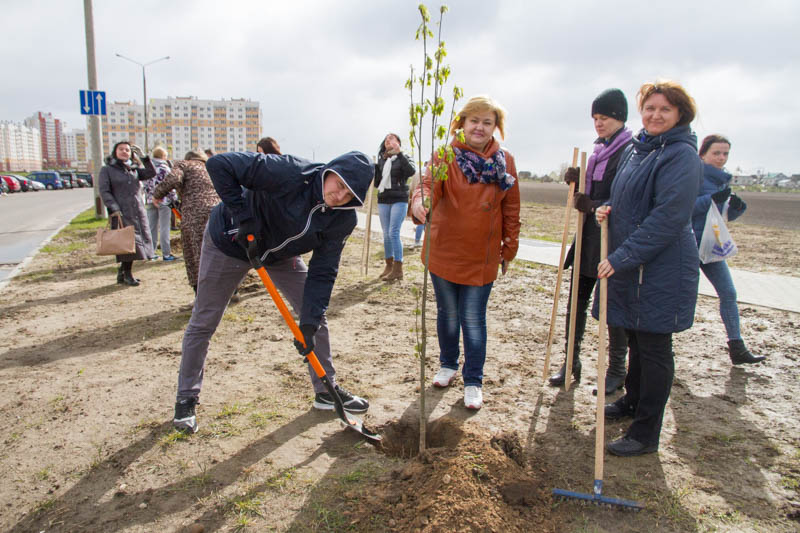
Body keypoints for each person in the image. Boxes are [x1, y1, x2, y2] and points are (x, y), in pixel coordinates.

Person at [172, 149, 374, 433]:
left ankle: (326, 391)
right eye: (339, 184)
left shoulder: (342, 220)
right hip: (230, 242)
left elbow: (323, 271)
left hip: (279, 255)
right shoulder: (291, 171)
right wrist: (243, 217)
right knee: (205, 320)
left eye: (349, 193)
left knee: (314, 318)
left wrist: (308, 323)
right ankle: (186, 398)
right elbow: (219, 165)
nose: (339, 195)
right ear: (330, 170)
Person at [596, 80, 703, 456]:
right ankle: (631, 403)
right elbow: (626, 197)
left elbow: (667, 219)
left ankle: (645, 433)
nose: (656, 115)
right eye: (650, 108)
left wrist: (620, 258)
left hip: (661, 268)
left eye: (665, 110)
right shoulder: (637, 150)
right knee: (638, 341)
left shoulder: (681, 156)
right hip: (634, 263)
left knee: (655, 347)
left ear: (680, 115)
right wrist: (606, 209)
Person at [411, 95, 520, 410]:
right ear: (462, 123)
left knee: (472, 319)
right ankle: (447, 364)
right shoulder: (445, 155)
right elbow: (428, 184)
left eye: (487, 122)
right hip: (445, 250)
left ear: (495, 127)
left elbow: (512, 208)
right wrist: (420, 201)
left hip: (481, 256)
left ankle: (473, 380)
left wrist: (509, 247)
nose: (480, 127)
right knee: (448, 315)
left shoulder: (506, 161)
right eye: (474, 121)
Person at [549, 89, 631, 394]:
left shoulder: (629, 151)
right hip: (587, 237)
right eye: (595, 118)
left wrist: (593, 205)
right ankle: (571, 362)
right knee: (576, 303)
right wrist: (577, 180)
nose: (599, 123)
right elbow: (590, 189)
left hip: (613, 238)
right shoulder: (597, 151)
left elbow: (623, 196)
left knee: (612, 308)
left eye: (605, 117)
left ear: (620, 117)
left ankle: (617, 370)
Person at [694, 135, 765, 365]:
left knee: (728, 293)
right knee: (681, 299)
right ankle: (664, 348)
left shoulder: (722, 181)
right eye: (716, 153)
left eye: (725, 154)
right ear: (703, 154)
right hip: (688, 245)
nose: (721, 158)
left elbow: (720, 217)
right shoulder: (693, 175)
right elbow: (681, 208)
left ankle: (737, 347)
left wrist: (735, 210)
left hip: (711, 246)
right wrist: (711, 199)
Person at [153, 150, 219, 293]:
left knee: (194, 253)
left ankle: (202, 295)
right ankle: (231, 291)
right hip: (218, 212)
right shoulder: (211, 167)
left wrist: (157, 194)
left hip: (196, 213)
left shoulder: (184, 164)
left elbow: (174, 179)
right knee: (219, 251)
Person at [98, 141, 156, 286]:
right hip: (121, 212)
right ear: (115, 152)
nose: (124, 152)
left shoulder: (133, 169)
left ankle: (123, 272)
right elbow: (104, 191)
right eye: (121, 149)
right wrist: (113, 207)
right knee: (125, 243)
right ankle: (127, 274)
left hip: (137, 211)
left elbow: (151, 173)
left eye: (127, 150)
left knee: (135, 244)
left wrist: (145, 158)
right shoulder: (108, 170)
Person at [375, 133, 416, 281]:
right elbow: (376, 183)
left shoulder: (404, 156)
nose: (388, 140)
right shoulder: (381, 159)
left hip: (399, 199)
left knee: (393, 232)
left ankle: (398, 268)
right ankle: (389, 265)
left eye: (392, 138)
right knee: (386, 234)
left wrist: (399, 155)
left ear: (398, 142)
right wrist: (374, 170)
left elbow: (411, 171)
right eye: (386, 139)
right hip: (383, 198)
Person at [143, 146, 178, 262]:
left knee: (151, 227)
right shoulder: (165, 168)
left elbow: (145, 185)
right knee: (164, 227)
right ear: (164, 156)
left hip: (150, 200)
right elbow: (170, 185)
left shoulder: (148, 168)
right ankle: (166, 253)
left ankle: (151, 253)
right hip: (164, 201)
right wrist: (174, 199)